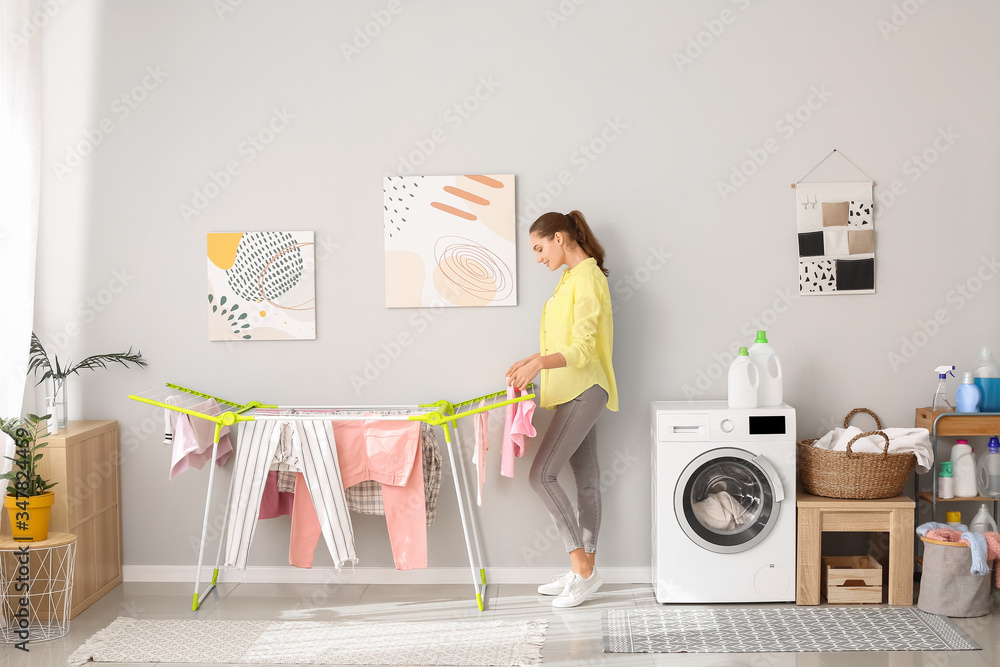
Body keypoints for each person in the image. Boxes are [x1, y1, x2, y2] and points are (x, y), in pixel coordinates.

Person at [506, 210, 618, 608]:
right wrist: (533, 358)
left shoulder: (587, 276)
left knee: (541, 475)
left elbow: (584, 349)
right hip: (576, 389)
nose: (538, 258)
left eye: (539, 248)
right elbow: (566, 341)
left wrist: (539, 364)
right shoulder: (570, 278)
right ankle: (582, 572)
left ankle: (583, 570)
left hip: (584, 389)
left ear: (559, 237)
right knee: (586, 480)